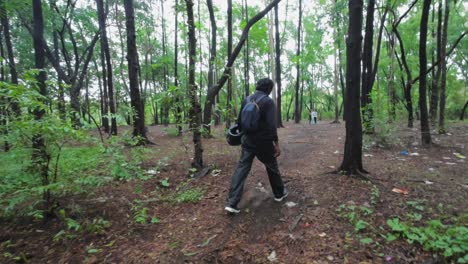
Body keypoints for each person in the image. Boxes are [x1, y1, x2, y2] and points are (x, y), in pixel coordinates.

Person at [225, 78, 288, 214]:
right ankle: (279, 194)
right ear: (269, 89)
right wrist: (276, 144)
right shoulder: (268, 102)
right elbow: (271, 126)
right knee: (272, 167)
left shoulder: (247, 99)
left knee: (241, 169)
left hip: (247, 141)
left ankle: (232, 203)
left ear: (257, 87)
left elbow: (239, 122)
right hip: (263, 142)